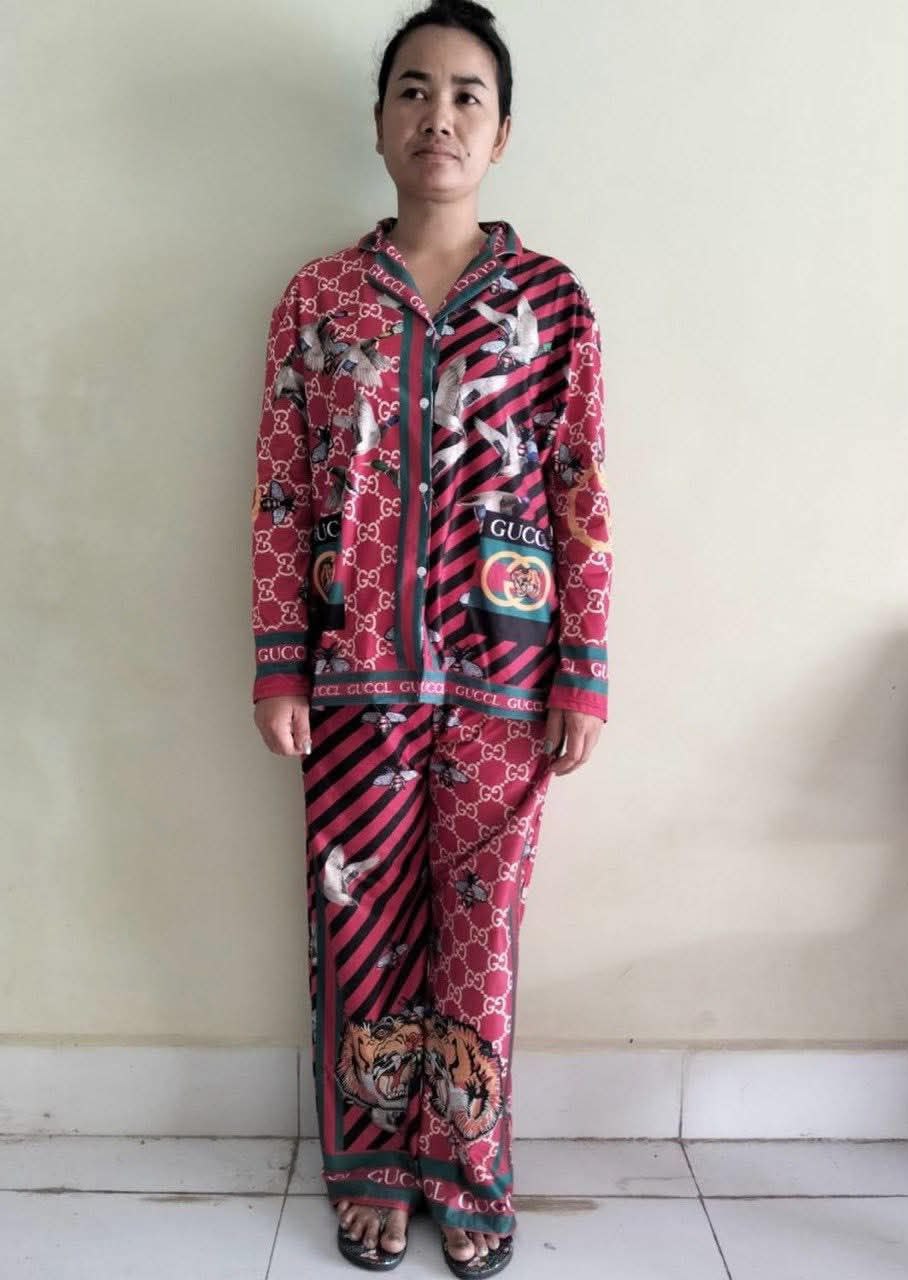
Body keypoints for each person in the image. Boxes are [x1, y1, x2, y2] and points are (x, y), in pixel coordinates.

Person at [250, 1, 612, 1273]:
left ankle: (467, 1162)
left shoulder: (552, 303)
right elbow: (283, 486)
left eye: (466, 95)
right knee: (360, 930)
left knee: (480, 934)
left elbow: (579, 489)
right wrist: (278, 658)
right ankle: (372, 1168)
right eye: (412, 89)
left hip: (506, 678)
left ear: (498, 133)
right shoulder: (319, 298)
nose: (438, 114)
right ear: (378, 122)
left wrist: (582, 670)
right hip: (352, 676)